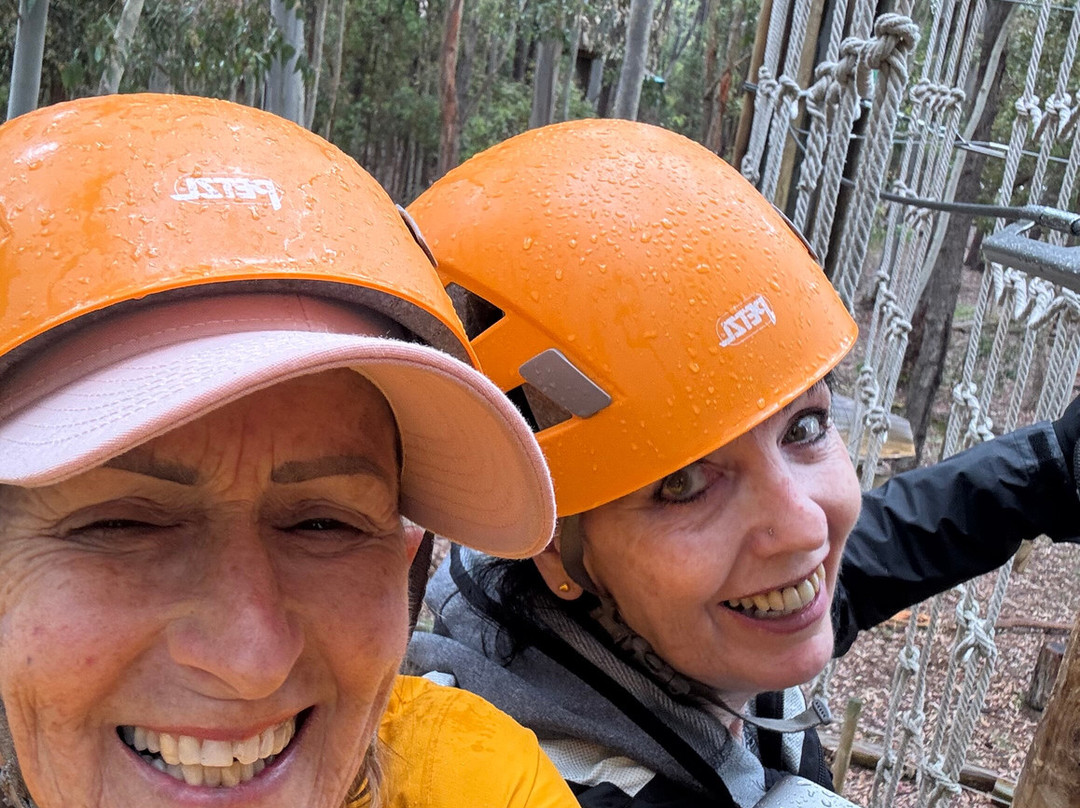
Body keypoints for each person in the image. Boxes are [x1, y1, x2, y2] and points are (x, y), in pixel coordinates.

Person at [403, 119, 1080, 807]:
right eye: (684, 483)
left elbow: (868, 556)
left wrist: (1053, 467)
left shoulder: (640, 628)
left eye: (804, 427)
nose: (805, 527)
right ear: (553, 546)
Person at [0, 94, 579, 808]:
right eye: (123, 525)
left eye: (323, 525)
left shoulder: (474, 783)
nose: (251, 661)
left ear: (403, 569)